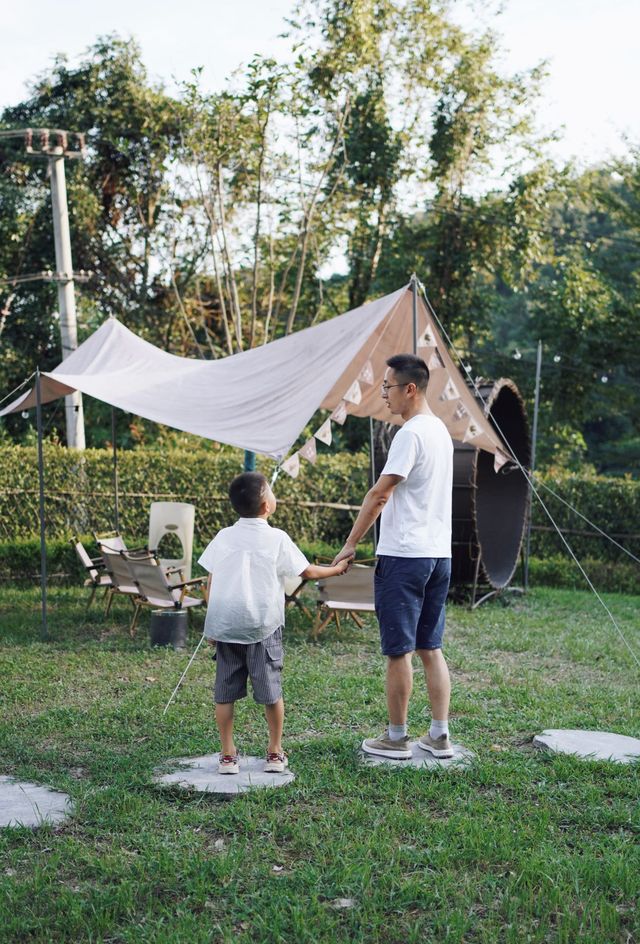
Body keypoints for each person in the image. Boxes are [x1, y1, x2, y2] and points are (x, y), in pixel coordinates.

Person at [333, 353, 454, 760]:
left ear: (410, 389)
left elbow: (380, 494)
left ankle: (396, 737)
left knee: (398, 651)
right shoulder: (441, 433)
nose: (383, 394)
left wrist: (350, 543)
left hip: (405, 557)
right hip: (439, 556)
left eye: (387, 387)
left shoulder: (412, 434)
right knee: (430, 647)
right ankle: (439, 735)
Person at [199, 471, 351, 775]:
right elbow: (306, 572)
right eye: (271, 491)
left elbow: (210, 581)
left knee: (224, 693)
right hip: (263, 627)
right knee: (271, 692)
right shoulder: (276, 537)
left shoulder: (224, 536)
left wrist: (213, 623)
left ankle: (227, 755)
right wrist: (336, 569)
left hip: (227, 626)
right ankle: (274, 751)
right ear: (267, 505)